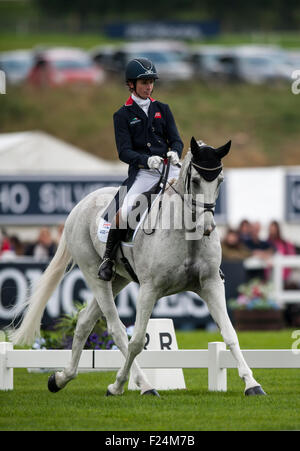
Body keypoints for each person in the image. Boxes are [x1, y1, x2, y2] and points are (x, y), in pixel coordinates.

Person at [98, 57, 183, 281]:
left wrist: (175, 151)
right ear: (131, 84)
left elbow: (176, 140)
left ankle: (206, 260)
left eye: (151, 82)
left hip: (170, 169)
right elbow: (124, 152)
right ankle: (108, 258)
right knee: (124, 212)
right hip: (144, 172)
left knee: (196, 200)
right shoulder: (122, 115)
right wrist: (146, 161)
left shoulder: (162, 109)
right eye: (144, 82)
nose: (149, 87)